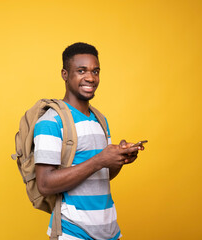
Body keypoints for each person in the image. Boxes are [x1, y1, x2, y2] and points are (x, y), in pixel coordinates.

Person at [34, 42, 144, 240]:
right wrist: (100, 160)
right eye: (81, 70)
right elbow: (45, 184)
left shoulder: (100, 120)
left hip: (109, 230)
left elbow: (101, 176)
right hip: (72, 232)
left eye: (96, 71)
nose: (91, 78)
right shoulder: (51, 122)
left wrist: (119, 159)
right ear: (65, 74)